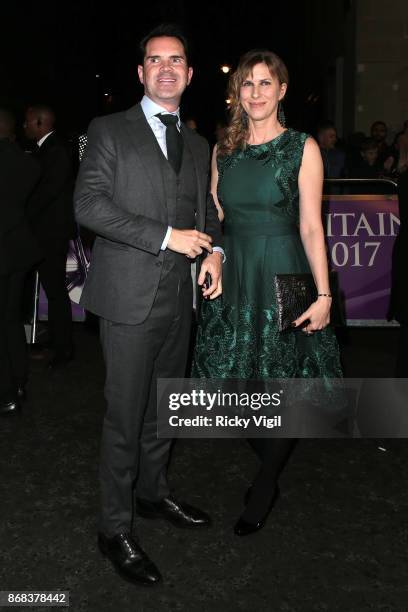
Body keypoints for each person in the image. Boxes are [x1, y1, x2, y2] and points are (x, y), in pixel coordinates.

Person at [74, 23, 223, 586]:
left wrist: (215, 255)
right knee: (124, 417)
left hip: (179, 300)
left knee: (167, 410)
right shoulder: (108, 130)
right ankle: (114, 528)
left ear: (189, 73)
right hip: (128, 300)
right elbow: (88, 205)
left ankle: (155, 494)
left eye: (176, 60)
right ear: (141, 73)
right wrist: (166, 236)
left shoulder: (198, 141)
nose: (166, 68)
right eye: (155, 61)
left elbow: (204, 217)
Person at [192, 49, 342, 536]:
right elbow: (216, 219)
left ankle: (265, 482)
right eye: (247, 84)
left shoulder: (302, 147)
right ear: (237, 93)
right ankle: (270, 465)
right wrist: (213, 252)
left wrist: (324, 296)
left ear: (282, 91)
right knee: (227, 390)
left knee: (283, 384)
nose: (255, 92)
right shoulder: (223, 149)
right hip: (235, 275)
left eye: (265, 83)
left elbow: (312, 228)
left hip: (285, 274)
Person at [24, 105, 77, 368]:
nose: (24, 126)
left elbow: (48, 191)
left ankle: (63, 348)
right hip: (48, 231)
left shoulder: (56, 149)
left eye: (28, 122)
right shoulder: (48, 148)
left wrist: (23, 209)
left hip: (51, 232)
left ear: (39, 122)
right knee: (51, 288)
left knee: (55, 290)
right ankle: (58, 340)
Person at [0, 109, 41, 414]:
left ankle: (5, 393)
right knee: (11, 319)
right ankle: (19, 381)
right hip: (19, 248)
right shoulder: (25, 161)